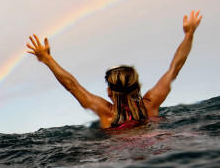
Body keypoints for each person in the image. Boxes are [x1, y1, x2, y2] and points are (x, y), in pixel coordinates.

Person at [26, 10, 203, 129]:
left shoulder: (105, 112)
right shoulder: (151, 104)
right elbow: (175, 67)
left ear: (110, 91)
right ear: (137, 87)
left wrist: (47, 59)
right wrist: (189, 34)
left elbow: (72, 85)